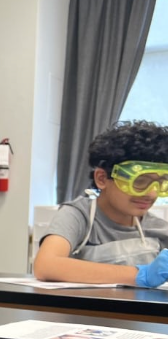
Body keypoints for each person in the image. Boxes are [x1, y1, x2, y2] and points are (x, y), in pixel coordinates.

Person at [34, 120, 168, 287]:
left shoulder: (159, 229)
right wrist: (140, 275)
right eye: (140, 181)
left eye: (161, 183)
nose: (152, 193)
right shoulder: (79, 215)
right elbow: (46, 265)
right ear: (102, 179)